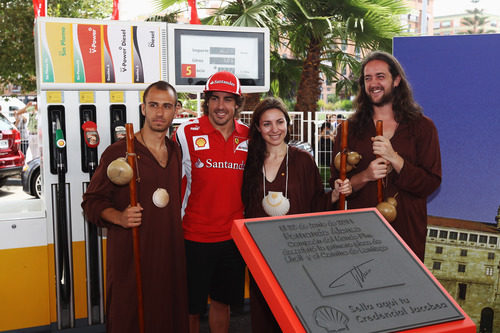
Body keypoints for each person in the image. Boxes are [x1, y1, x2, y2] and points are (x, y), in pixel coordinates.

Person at [81, 81, 189, 332]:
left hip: (169, 254)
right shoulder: (120, 152)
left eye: (166, 106)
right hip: (132, 255)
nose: (159, 113)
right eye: (153, 105)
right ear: (143, 108)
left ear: (176, 111)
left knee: (168, 316)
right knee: (130, 317)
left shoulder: (175, 151)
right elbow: (92, 201)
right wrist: (119, 217)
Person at [241, 97, 351, 332]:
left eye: (280, 122)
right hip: (262, 251)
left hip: (297, 252)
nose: (274, 129)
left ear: (288, 125)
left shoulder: (303, 160)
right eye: (267, 124)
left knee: (295, 312)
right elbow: (244, 205)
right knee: (263, 311)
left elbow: (316, 202)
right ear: (258, 128)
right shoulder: (249, 162)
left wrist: (334, 195)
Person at [329, 51, 442, 261]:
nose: (373, 83)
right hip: (361, 235)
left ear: (396, 80)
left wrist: (395, 159)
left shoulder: (423, 127)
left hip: (407, 235)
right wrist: (366, 176)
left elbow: (431, 183)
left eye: (380, 76)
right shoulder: (348, 130)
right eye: (367, 78)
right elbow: (338, 184)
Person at [174, 71, 248, 333]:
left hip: (233, 239)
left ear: (238, 104)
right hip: (193, 236)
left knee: (222, 303)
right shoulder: (185, 133)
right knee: (191, 308)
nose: (220, 106)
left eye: (228, 100)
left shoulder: (250, 136)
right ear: (206, 101)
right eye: (214, 99)